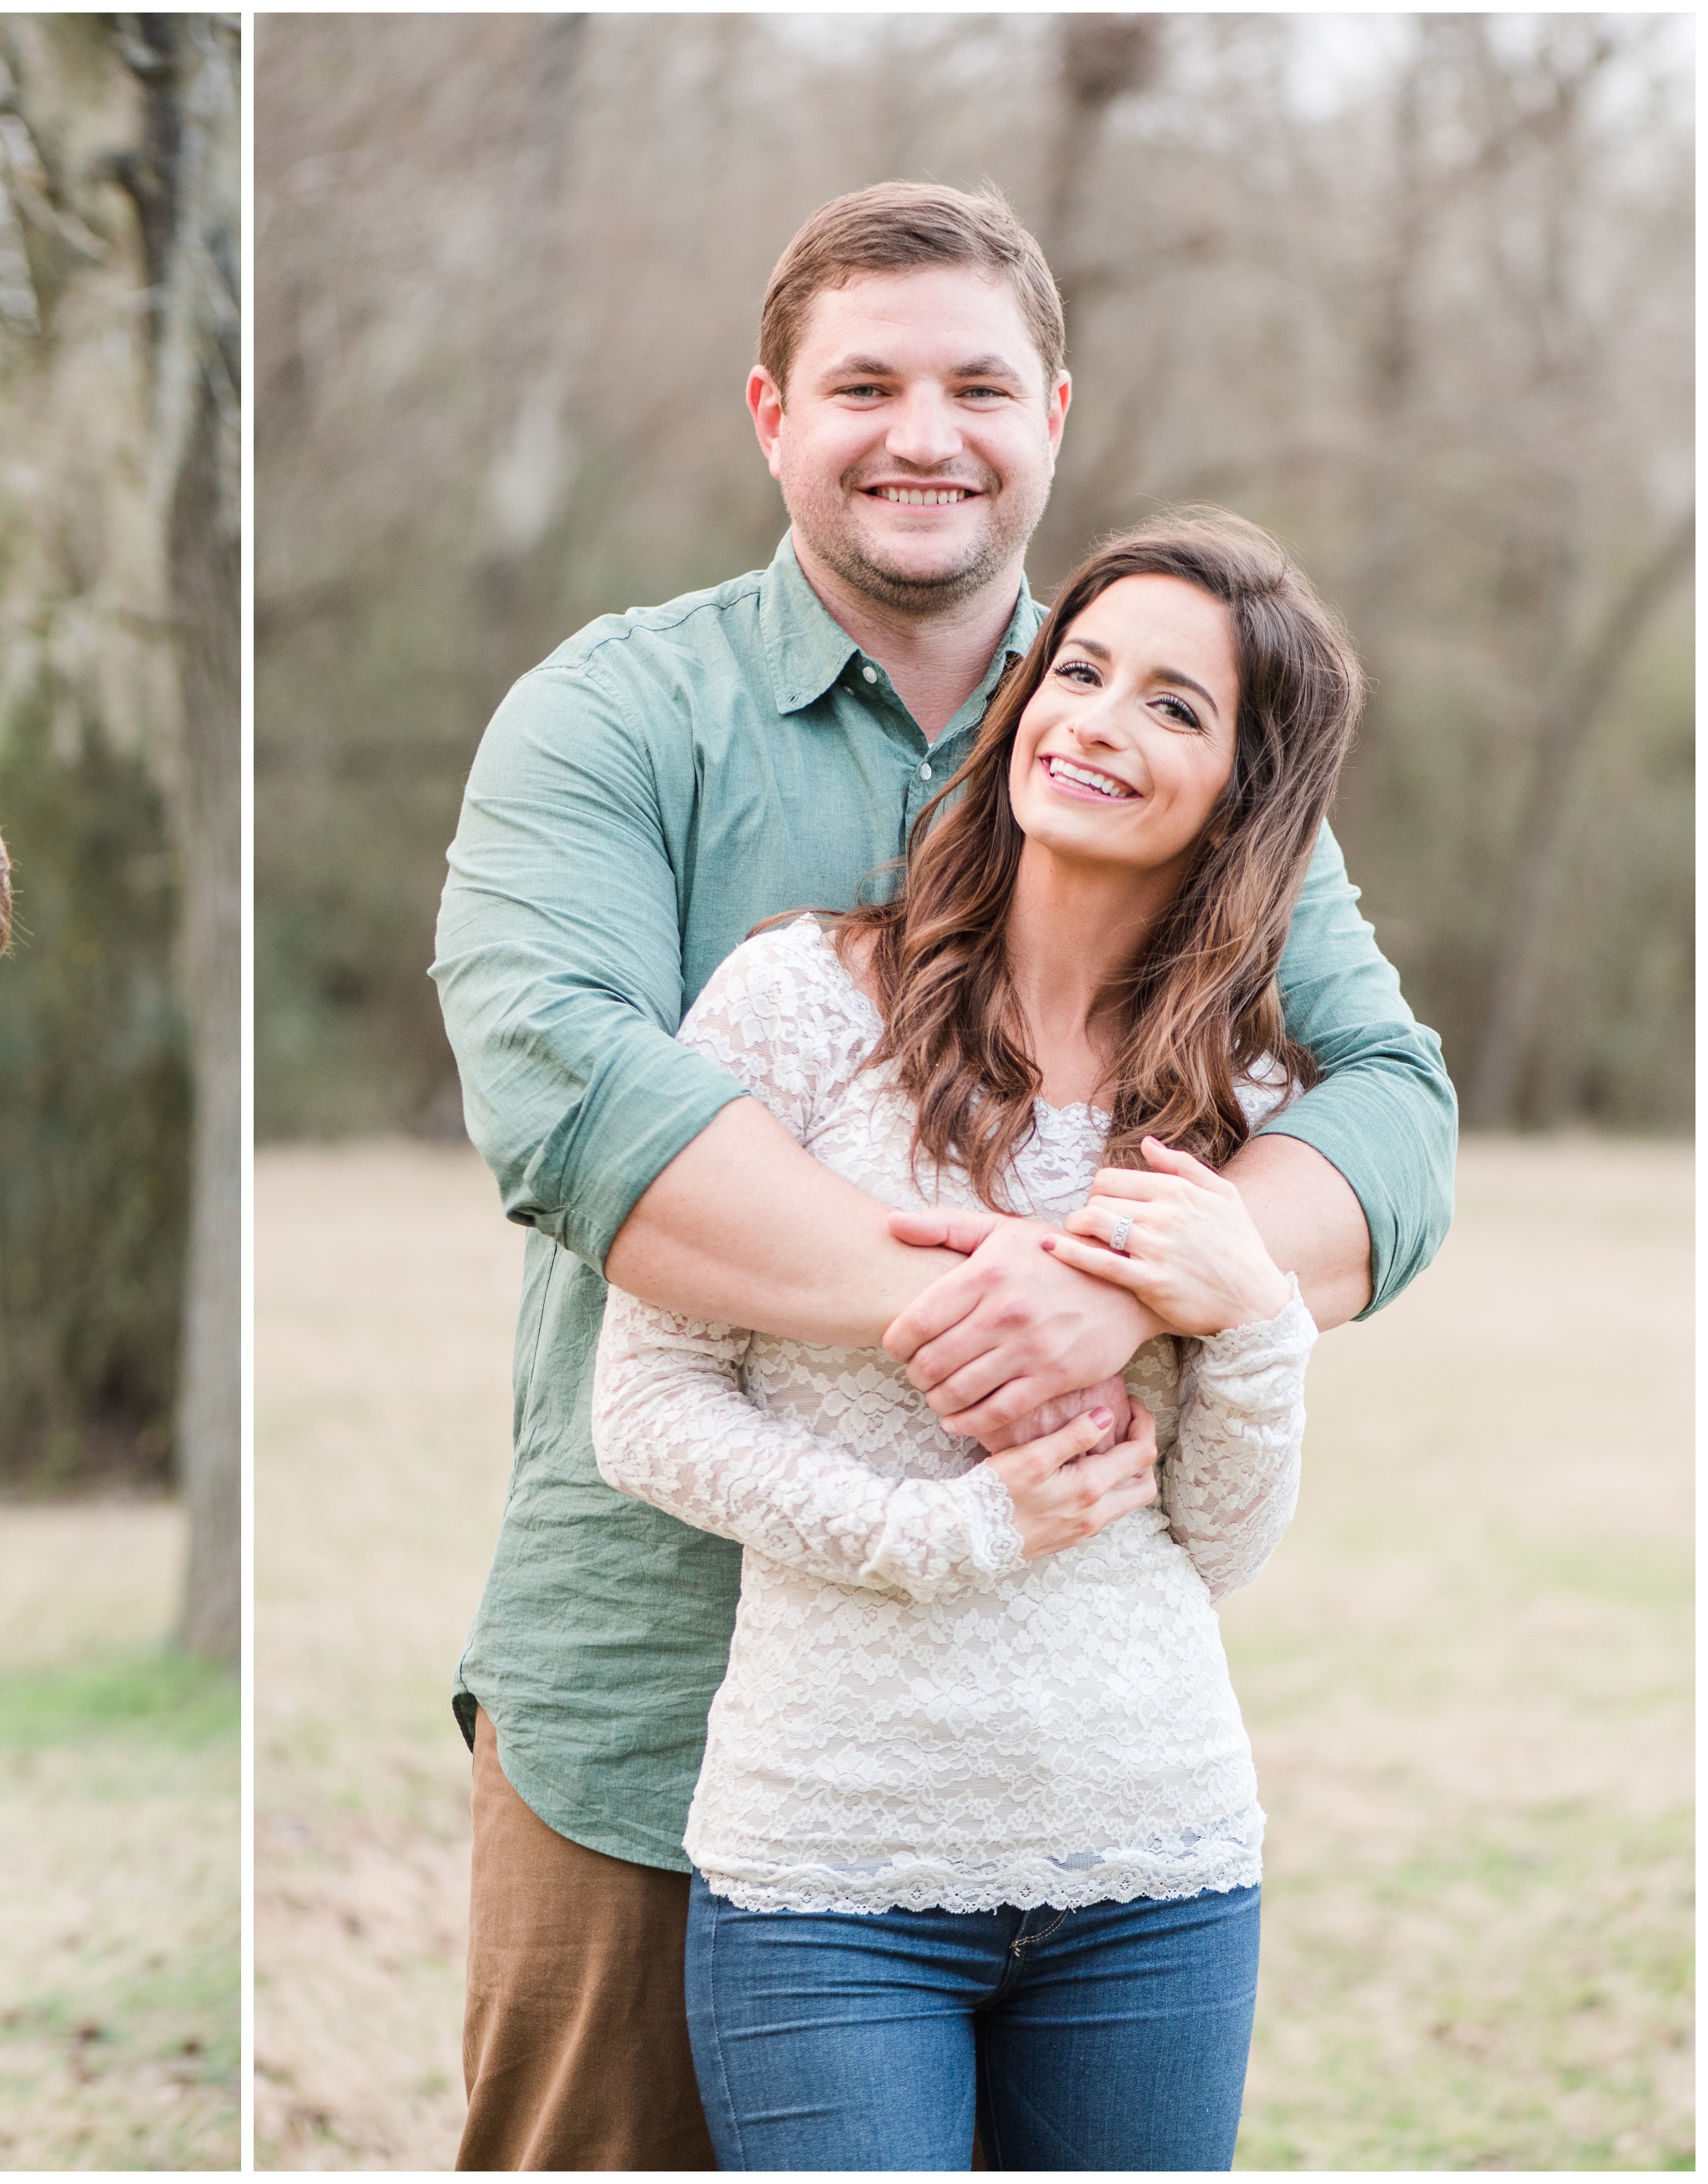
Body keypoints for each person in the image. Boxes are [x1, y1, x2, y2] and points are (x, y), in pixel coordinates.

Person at [431, 181, 1454, 2169]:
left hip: (1067, 1761)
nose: (926, 433)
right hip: (652, 1696)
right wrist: (970, 1297)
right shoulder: (613, 717)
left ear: (1053, 412)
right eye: (865, 385)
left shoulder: (1171, 722)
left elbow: (1389, 1115)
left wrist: (1148, 1280)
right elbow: (574, 1112)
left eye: (978, 385)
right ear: (767, 413)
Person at [594, 513, 1348, 2169]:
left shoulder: (1250, 1101)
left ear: (1241, 786)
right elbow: (643, 1404)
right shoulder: (797, 1002)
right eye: (1079, 671)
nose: (1095, 720)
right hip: (827, 1878)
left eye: (1172, 706)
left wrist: (1245, 1311)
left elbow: (1209, 1540)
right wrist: (953, 1531)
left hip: (1153, 1869)